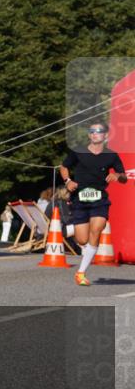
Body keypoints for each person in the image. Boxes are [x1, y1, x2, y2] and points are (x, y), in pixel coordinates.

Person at [59, 121, 127, 286]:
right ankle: (68, 229)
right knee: (82, 240)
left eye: (99, 131)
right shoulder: (78, 152)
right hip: (80, 200)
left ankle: (80, 273)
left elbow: (124, 177)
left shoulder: (111, 155)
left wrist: (118, 176)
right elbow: (64, 167)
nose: (95, 133)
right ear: (89, 135)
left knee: (96, 230)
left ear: (105, 135)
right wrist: (68, 181)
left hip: (100, 200)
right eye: (92, 131)